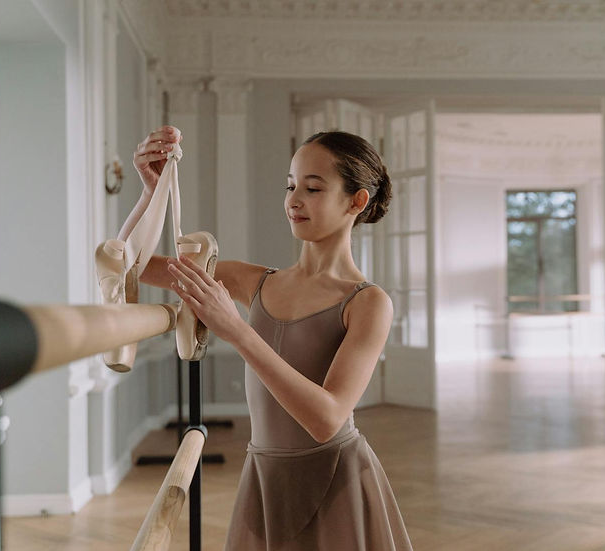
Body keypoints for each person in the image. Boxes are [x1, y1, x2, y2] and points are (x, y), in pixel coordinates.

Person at [124, 125, 413, 550]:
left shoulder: (368, 303)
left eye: (313, 188)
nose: (294, 200)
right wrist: (151, 193)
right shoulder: (253, 281)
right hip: (263, 479)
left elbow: (326, 419)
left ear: (357, 200)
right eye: (291, 185)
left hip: (336, 483)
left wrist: (236, 330)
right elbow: (131, 266)